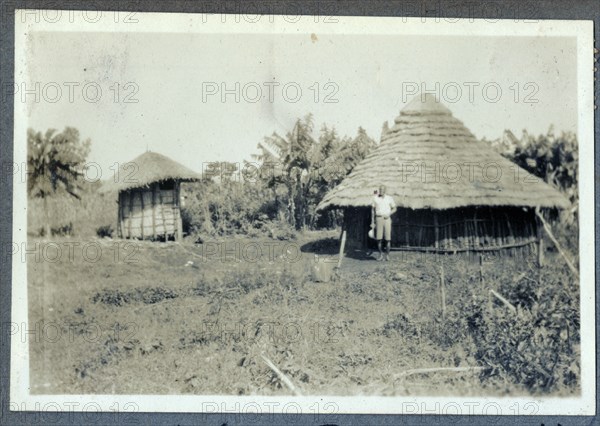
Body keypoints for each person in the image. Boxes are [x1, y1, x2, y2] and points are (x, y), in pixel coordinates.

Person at [371, 185, 396, 261]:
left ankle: (387, 255)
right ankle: (380, 255)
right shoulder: (375, 198)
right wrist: (372, 221)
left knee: (388, 239)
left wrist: (389, 214)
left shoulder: (389, 198)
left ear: (385, 190)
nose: (381, 191)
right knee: (379, 238)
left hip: (387, 218)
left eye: (382, 190)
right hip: (378, 218)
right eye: (380, 189)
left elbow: (394, 208)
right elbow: (372, 210)